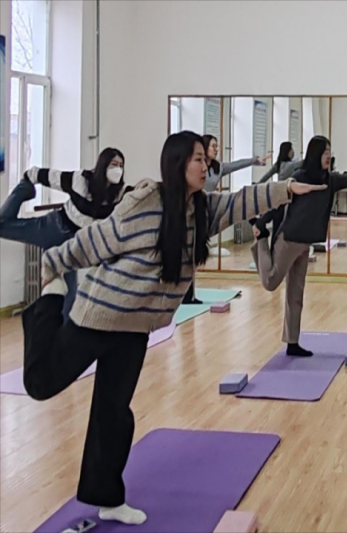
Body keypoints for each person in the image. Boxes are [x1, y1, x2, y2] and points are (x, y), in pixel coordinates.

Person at [21, 130, 323, 526]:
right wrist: (53, 265)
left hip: (135, 328)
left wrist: (286, 189)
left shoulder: (202, 210)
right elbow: (99, 239)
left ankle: (107, 497)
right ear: (177, 164)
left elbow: (241, 201)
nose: (205, 165)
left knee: (113, 413)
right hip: (101, 315)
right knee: (41, 383)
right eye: (197, 159)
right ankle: (47, 303)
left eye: (205, 159)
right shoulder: (147, 203)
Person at [250, 135, 347, 356]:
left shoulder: (330, 180)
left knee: (296, 294)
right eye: (325, 152)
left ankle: (292, 343)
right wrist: (261, 223)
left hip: (305, 243)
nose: (328, 157)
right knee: (270, 282)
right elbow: (279, 202)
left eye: (330, 153)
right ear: (315, 154)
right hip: (289, 239)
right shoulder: (299, 177)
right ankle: (261, 241)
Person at [0, 148, 130, 321]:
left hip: (74, 244)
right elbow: (53, 177)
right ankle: (24, 190)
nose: (118, 169)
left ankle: (63, 331)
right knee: (2, 226)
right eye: (114, 164)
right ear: (103, 165)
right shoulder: (81, 179)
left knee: (70, 293)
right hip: (54, 228)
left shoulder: (119, 194)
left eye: (121, 165)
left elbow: (143, 194)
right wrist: (30, 176)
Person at [184, 134, 270, 304]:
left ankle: (189, 293)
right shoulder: (194, 167)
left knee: (196, 252)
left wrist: (255, 161)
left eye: (217, 146)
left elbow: (236, 165)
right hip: (192, 210)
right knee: (189, 253)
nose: (216, 149)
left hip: (208, 210)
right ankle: (187, 294)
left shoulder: (218, 168)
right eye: (213, 146)